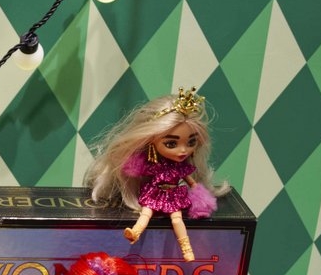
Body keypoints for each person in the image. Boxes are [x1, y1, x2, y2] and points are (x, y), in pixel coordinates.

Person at [86, 87, 227, 260]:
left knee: (177, 219)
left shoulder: (180, 168)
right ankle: (134, 233)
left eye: (191, 142)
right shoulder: (152, 166)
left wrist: (200, 195)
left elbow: (191, 182)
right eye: (171, 144)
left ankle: (186, 249)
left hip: (174, 196)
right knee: (145, 214)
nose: (183, 150)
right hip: (154, 192)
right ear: (150, 141)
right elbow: (136, 170)